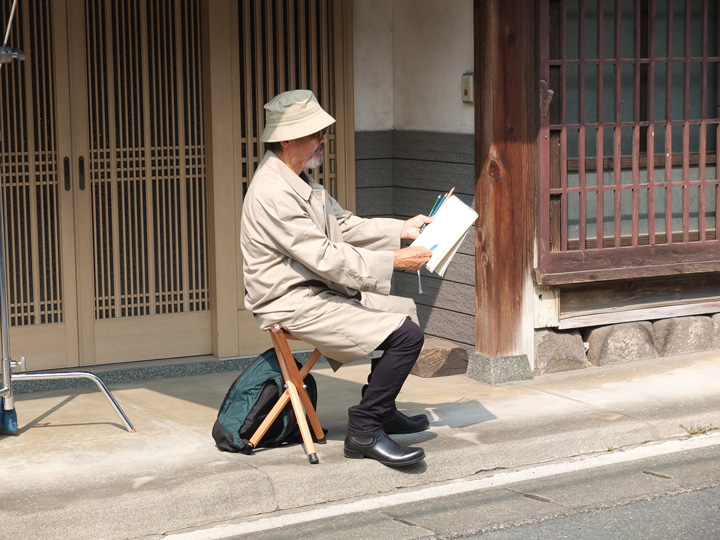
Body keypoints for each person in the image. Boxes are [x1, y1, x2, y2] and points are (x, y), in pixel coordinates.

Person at [240, 89, 434, 467]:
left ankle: (381, 409)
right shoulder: (273, 190)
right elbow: (325, 256)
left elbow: (343, 224)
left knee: (404, 310)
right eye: (316, 133)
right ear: (286, 139)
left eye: (323, 132)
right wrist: (393, 260)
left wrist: (403, 229)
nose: (323, 140)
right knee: (405, 335)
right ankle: (364, 428)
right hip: (290, 300)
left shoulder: (297, 178)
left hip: (314, 289)